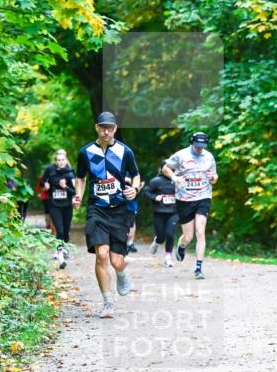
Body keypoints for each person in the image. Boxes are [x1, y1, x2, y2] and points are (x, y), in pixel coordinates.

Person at [73, 112, 141, 318]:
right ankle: (108, 303)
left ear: (115, 129)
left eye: (110, 128)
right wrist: (78, 195)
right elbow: (80, 177)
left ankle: (121, 271)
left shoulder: (125, 151)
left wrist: (134, 189)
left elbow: (136, 175)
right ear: (97, 127)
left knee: (116, 261)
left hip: (120, 210)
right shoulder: (85, 152)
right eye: (103, 128)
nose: (106, 132)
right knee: (101, 254)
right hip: (97, 209)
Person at [162, 131, 218, 279]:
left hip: (203, 197)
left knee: (200, 232)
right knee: (188, 236)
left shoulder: (209, 157)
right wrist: (175, 177)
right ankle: (182, 246)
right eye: (197, 146)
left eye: (202, 146)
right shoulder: (181, 155)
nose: (199, 149)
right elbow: (165, 168)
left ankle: (198, 269)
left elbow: (214, 177)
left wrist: (213, 178)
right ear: (192, 143)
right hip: (184, 199)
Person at [40, 149, 75, 268]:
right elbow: (42, 183)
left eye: (63, 160)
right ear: (56, 161)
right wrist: (46, 186)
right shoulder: (50, 170)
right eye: (58, 160)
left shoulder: (70, 173)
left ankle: (64, 248)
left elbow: (74, 191)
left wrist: (65, 187)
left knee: (65, 230)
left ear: (66, 160)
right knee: (59, 230)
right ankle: (60, 255)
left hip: (67, 206)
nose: (61, 162)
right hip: (54, 205)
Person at [143, 164, 179, 268]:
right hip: (159, 212)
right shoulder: (156, 181)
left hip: (174, 212)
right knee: (161, 237)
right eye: (167, 169)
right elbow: (145, 193)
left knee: (170, 234)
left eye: (172, 169)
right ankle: (157, 241)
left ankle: (168, 258)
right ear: (162, 170)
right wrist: (155, 197)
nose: (170, 171)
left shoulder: (178, 181)